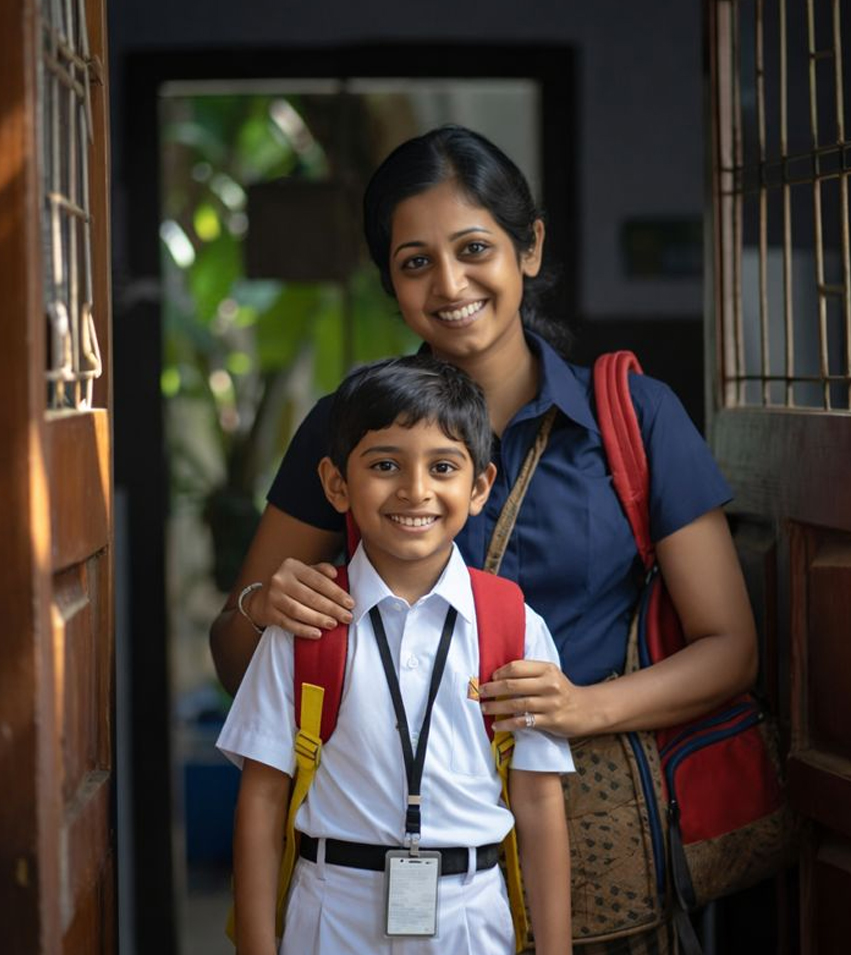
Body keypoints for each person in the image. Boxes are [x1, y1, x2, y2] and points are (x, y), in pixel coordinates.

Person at [211, 125, 757, 954]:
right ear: (390, 281)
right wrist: (263, 603)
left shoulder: (635, 420)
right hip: (365, 878)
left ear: (528, 248)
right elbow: (237, 653)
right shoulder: (346, 430)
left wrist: (579, 707)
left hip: (594, 841)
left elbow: (731, 648)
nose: (450, 283)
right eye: (415, 261)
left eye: (474, 248)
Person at [217, 355, 574, 955]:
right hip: (331, 914)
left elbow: (538, 801)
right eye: (385, 465)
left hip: (470, 918)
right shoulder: (306, 624)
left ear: (479, 486)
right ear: (336, 484)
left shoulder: (513, 626)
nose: (416, 490)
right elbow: (261, 797)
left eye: (443, 467)